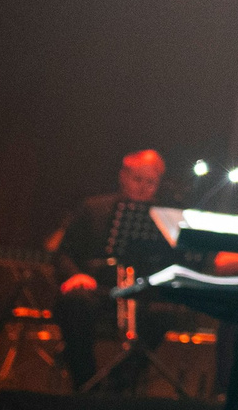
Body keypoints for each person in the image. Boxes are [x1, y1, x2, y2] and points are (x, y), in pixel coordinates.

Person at [46, 149, 170, 392]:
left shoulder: (163, 217)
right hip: (97, 288)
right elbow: (63, 253)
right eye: (138, 180)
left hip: (140, 292)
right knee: (74, 304)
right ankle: (86, 384)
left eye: (151, 183)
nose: (143, 188)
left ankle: (120, 383)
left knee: (165, 313)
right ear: (123, 176)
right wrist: (76, 275)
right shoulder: (93, 208)